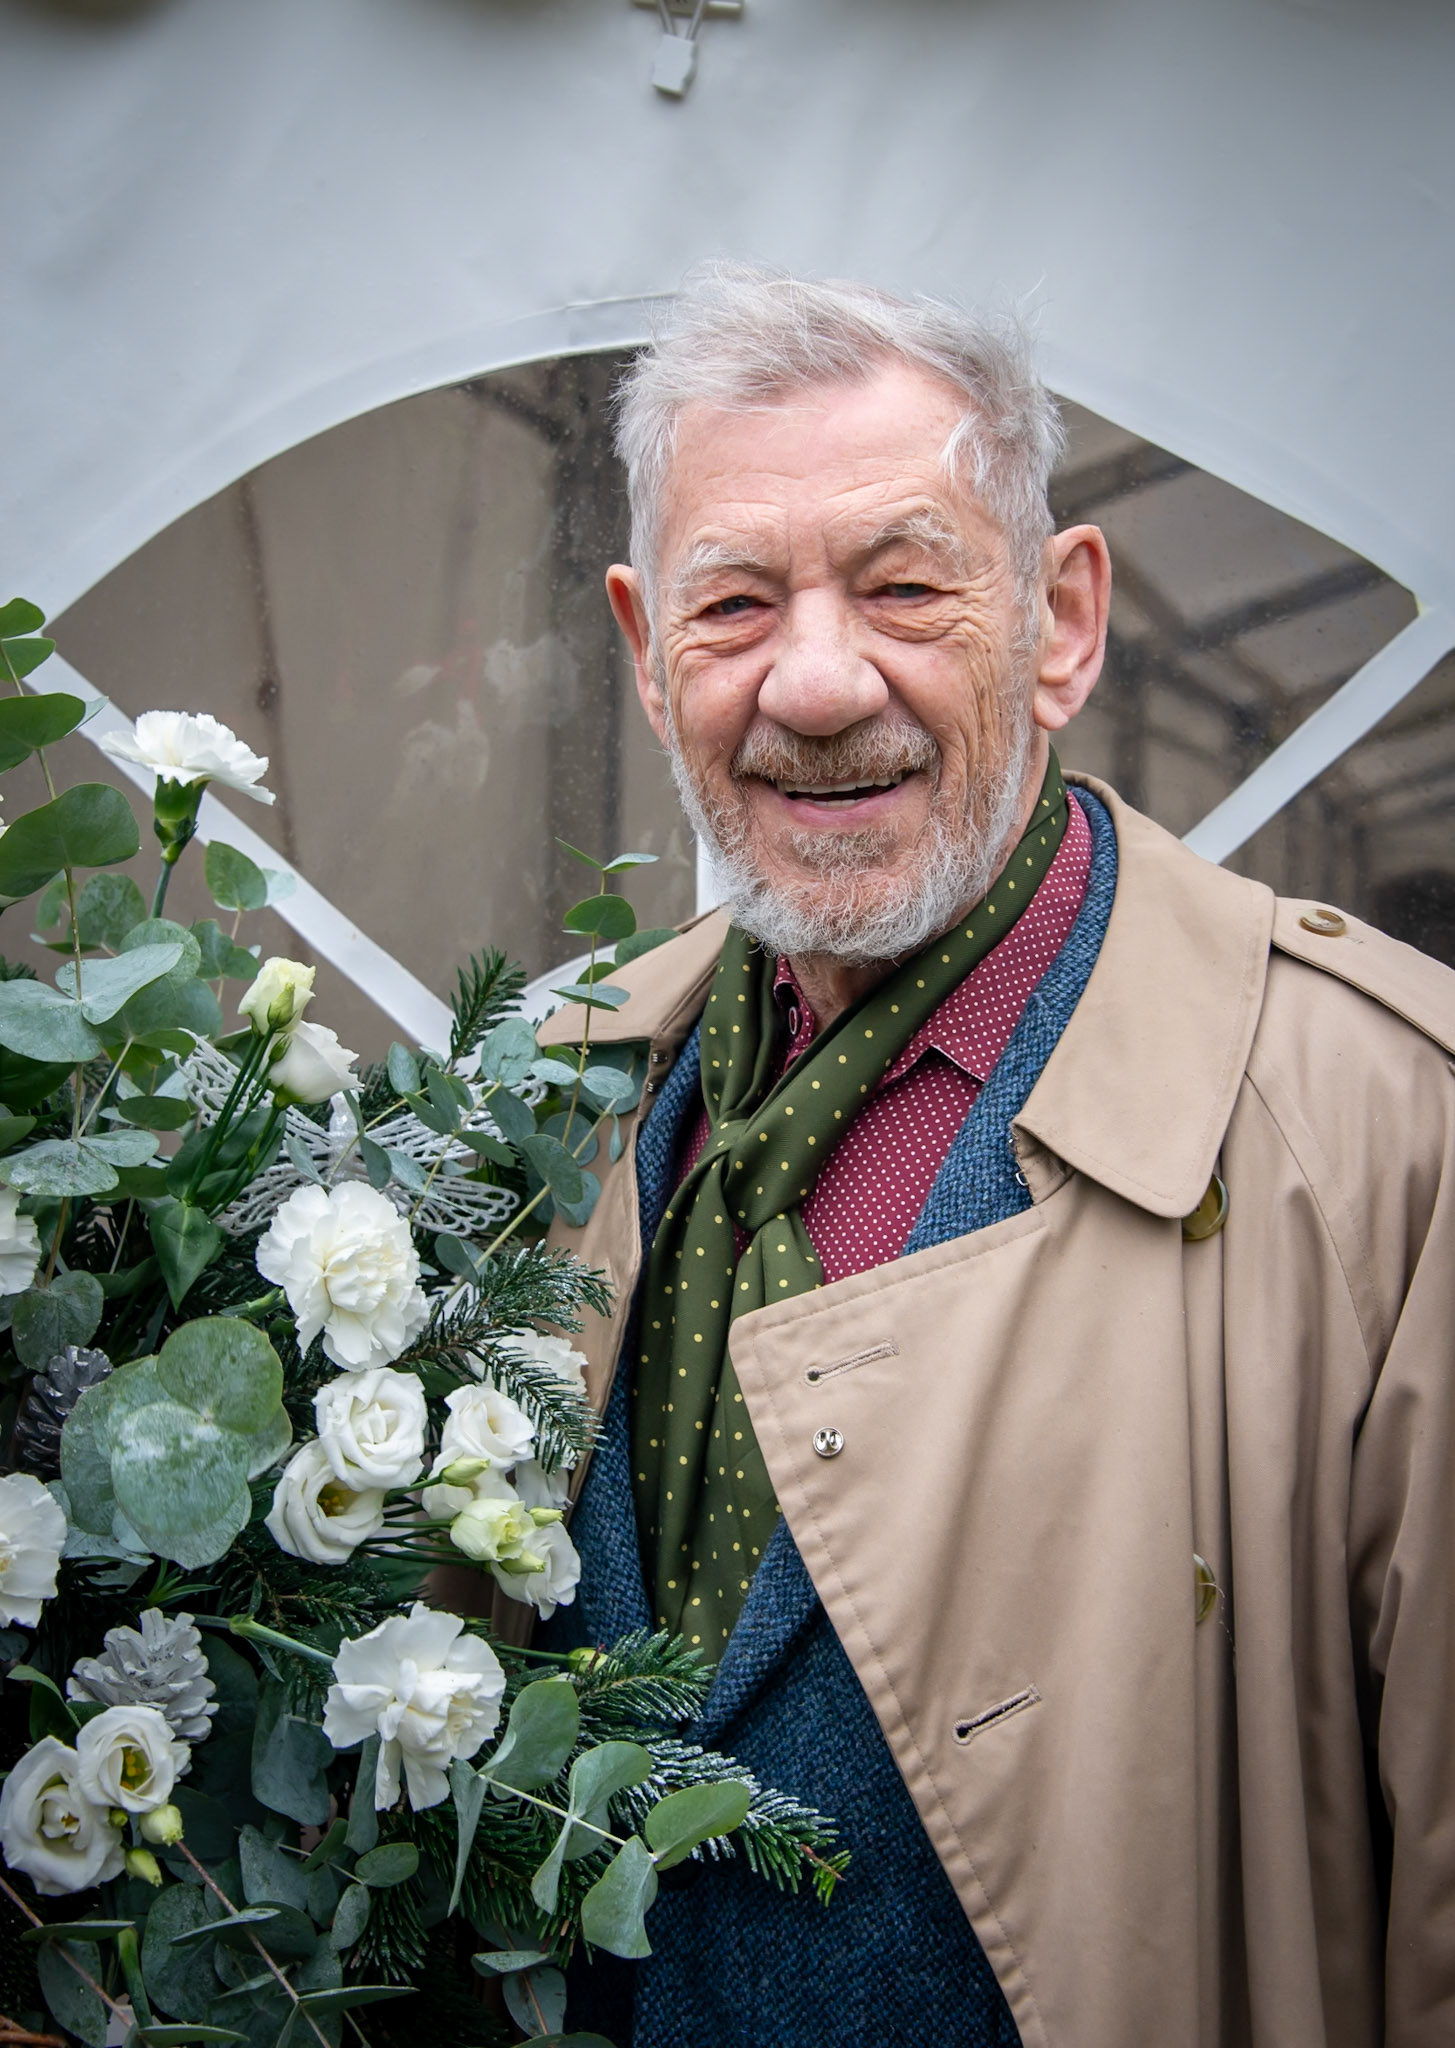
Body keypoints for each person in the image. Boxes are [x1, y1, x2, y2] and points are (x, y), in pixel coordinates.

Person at [535, 262, 1455, 2047]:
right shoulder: (551, 1103)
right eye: (736, 605)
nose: (814, 684)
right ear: (647, 653)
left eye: (902, 586)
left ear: (1060, 621)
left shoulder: (1386, 1140)